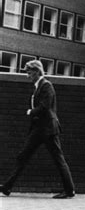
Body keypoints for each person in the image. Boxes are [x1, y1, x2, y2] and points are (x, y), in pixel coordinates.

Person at [0, 60, 75, 198]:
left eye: (29, 73)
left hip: (47, 129)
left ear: (36, 72)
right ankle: (7, 186)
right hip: (40, 129)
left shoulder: (47, 86)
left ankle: (69, 190)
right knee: (23, 156)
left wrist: (31, 112)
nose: (27, 76)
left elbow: (45, 107)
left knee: (58, 159)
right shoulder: (39, 86)